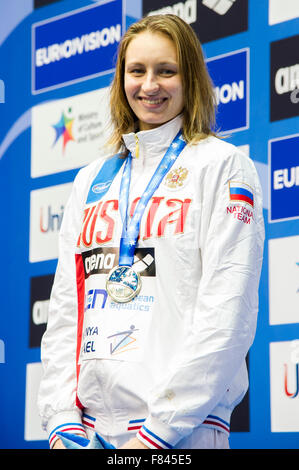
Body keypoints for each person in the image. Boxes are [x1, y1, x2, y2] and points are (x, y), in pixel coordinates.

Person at [38, 14, 264, 450]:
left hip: (182, 432)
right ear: (121, 79)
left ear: (191, 78)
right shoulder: (90, 179)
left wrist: (159, 432)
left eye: (167, 71)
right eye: (137, 71)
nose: (150, 85)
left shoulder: (223, 166)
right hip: (88, 433)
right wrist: (62, 420)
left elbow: (227, 311)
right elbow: (67, 308)